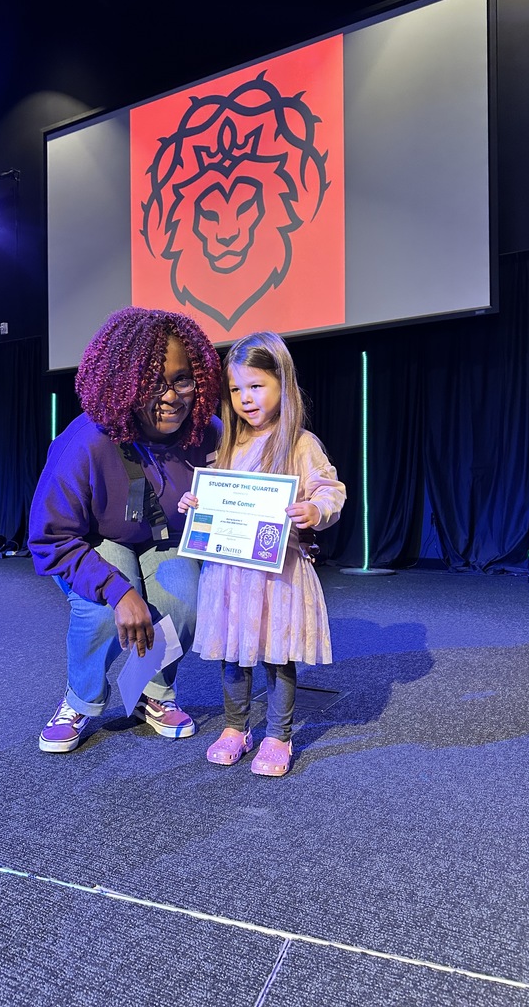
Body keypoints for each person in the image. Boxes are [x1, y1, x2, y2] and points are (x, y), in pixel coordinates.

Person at [28, 307, 221, 753]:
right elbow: (50, 539)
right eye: (154, 384)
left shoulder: (210, 434)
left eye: (182, 380)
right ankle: (80, 700)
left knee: (185, 602)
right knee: (100, 612)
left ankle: (153, 693)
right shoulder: (86, 441)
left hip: (165, 540)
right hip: (95, 542)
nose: (172, 396)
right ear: (124, 384)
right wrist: (119, 592)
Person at [179, 332, 346, 777]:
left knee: (277, 655)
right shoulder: (228, 447)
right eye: (236, 390)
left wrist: (315, 508)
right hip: (231, 575)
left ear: (282, 385)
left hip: (278, 574)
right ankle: (236, 728)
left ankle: (277, 734)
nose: (246, 399)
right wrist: (195, 504)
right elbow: (216, 498)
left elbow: (330, 490)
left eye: (256, 386)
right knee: (233, 654)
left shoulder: (300, 443)